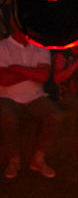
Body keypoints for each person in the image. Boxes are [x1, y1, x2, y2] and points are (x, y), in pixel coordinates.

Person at [0, 25, 60, 178]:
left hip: (36, 97)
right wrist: (32, 72)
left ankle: (38, 159)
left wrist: (17, 69)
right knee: (8, 118)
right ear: (14, 23)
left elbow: (44, 76)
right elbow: (4, 80)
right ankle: (14, 160)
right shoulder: (3, 47)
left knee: (55, 115)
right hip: (8, 97)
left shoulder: (41, 48)